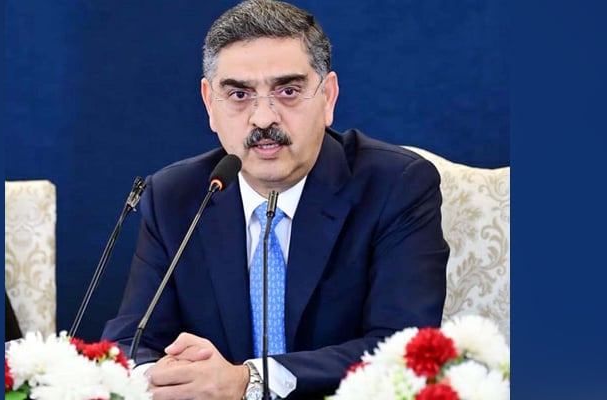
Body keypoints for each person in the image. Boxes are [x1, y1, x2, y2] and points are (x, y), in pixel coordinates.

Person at [102, 0, 449, 398]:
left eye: (288, 91)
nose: (263, 118)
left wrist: (247, 380)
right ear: (210, 104)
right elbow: (130, 341)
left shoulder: (395, 186)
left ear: (328, 97)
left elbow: (402, 347)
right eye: (239, 94)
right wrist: (162, 376)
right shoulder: (174, 196)